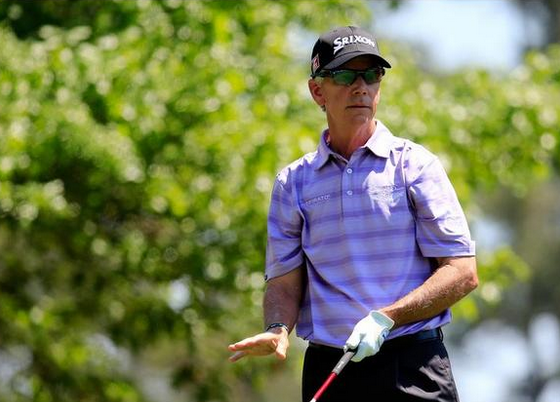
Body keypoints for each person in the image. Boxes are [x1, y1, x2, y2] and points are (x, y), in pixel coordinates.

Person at [228, 25, 478, 402]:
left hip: (413, 366)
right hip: (331, 370)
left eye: (372, 75)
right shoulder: (293, 183)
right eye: (345, 75)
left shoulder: (415, 166)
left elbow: (462, 272)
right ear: (317, 91)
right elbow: (283, 282)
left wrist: (388, 317)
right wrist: (278, 328)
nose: (361, 86)